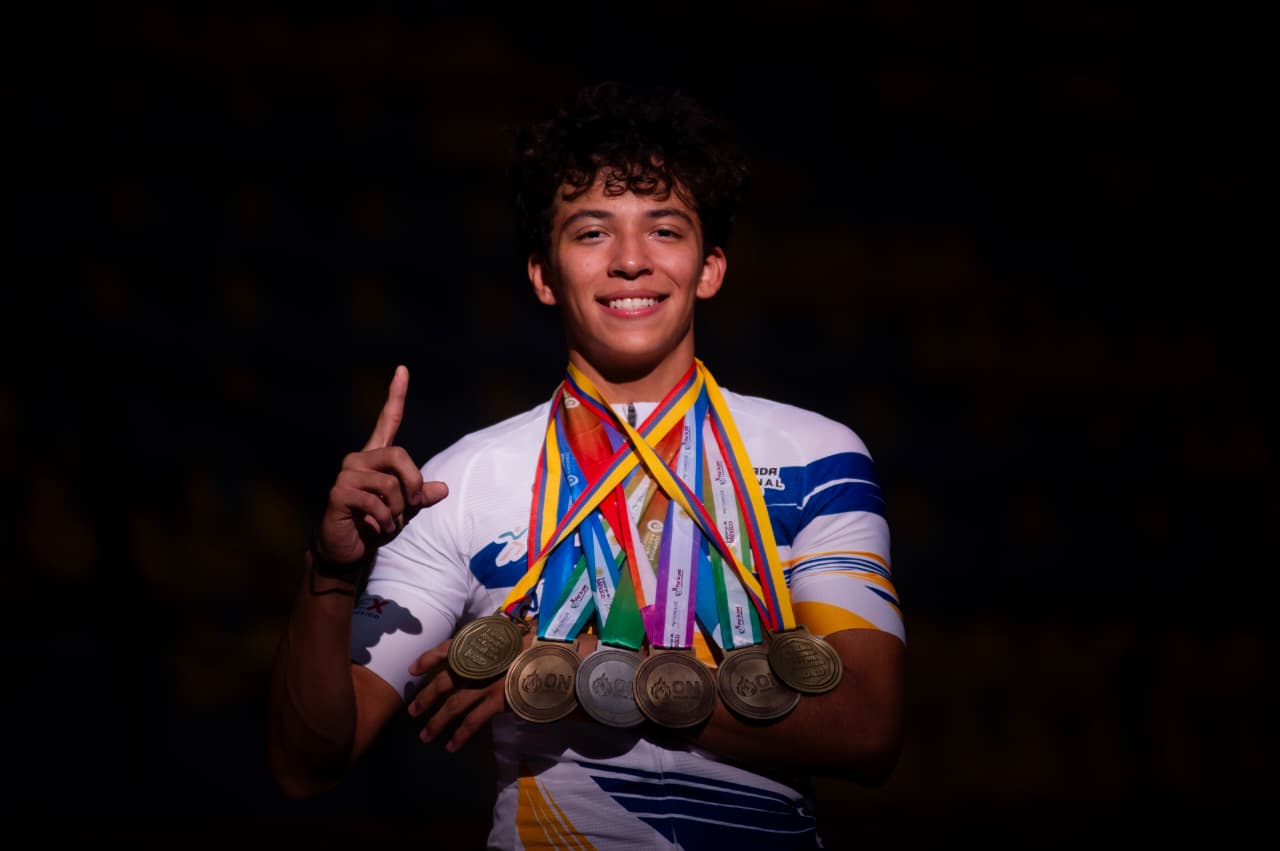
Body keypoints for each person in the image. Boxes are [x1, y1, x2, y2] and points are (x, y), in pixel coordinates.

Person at [267, 80, 905, 849]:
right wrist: (331, 573)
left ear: (710, 267)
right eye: (593, 232)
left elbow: (868, 728)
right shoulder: (459, 482)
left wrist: (577, 676)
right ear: (544, 273)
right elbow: (309, 761)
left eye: (664, 229)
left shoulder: (814, 455)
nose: (631, 260)